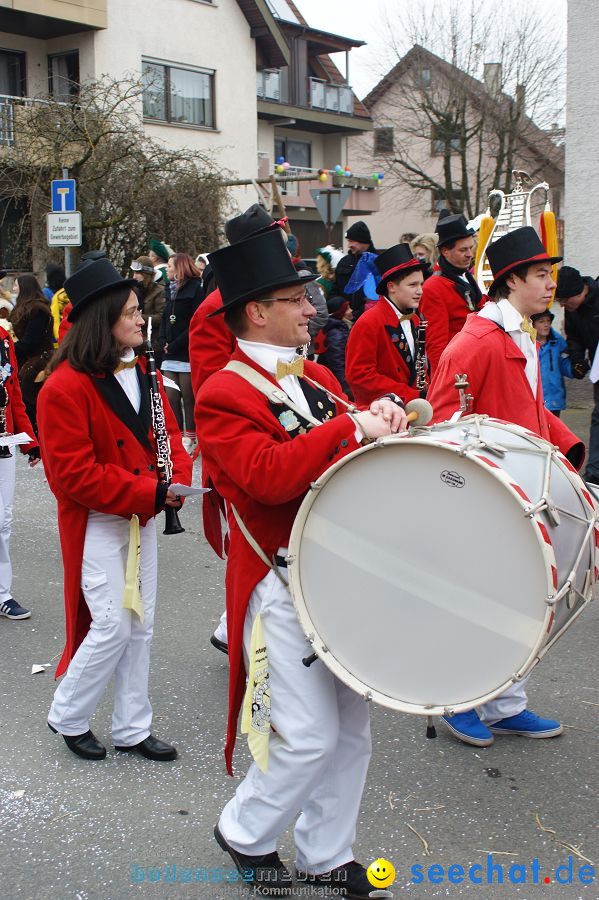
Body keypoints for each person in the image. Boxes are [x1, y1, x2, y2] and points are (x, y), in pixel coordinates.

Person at [196, 227, 407, 897]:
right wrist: (348, 428)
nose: (312, 308)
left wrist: (378, 417)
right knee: (310, 734)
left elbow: (340, 447)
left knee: (350, 730)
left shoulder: (313, 374)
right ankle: (245, 831)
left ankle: (325, 853)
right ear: (257, 310)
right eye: (296, 298)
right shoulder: (222, 392)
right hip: (277, 582)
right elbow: (266, 476)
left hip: (334, 575)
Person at [428, 225, 584, 747]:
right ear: (511, 279)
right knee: (475, 602)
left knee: (525, 601)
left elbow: (531, 410)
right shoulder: (474, 343)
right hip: (488, 497)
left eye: (551, 274)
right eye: (541, 275)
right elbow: (444, 425)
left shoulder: (519, 331)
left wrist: (568, 451)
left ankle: (504, 703)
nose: (550, 284)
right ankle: (456, 699)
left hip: (525, 490)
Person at [37, 259, 191, 762]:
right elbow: (72, 476)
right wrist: (150, 492)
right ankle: (68, 714)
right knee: (112, 624)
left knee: (140, 624)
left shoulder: (143, 370)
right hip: (99, 519)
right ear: (104, 320)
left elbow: (168, 434)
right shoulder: (63, 386)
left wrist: (179, 479)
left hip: (141, 510)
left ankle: (132, 727)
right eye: (131, 313)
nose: (142, 321)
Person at [345, 243, 428, 406]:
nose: (420, 291)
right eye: (413, 285)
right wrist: (412, 395)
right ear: (392, 287)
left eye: (421, 284)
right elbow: (359, 376)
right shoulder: (369, 323)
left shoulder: (415, 320)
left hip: (412, 409)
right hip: (380, 413)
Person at [0, 322, 41, 621]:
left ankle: (2, 593)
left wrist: (29, 442)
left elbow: (13, 393)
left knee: (3, 520)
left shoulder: (3, 338)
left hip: (4, 441)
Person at [419, 213, 483, 376]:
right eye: (463, 250)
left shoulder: (465, 275)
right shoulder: (433, 287)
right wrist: (444, 384)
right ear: (445, 251)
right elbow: (436, 347)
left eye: (470, 248)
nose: (470, 254)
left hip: (476, 363)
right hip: (458, 372)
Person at [556, 265, 599, 484]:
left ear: (579, 291)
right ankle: (594, 472)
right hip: (598, 369)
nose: (562, 305)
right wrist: (578, 362)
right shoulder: (572, 310)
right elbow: (574, 338)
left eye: (564, 299)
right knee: (598, 417)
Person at [159, 253, 203, 455]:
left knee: (188, 396)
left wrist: (175, 344)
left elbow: (196, 322)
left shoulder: (196, 288)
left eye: (169, 266)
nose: (166, 270)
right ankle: (176, 436)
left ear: (180, 267)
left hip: (185, 351)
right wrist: (162, 339)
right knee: (171, 396)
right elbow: (165, 316)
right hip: (169, 352)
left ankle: (190, 436)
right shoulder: (169, 290)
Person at [9, 273, 54, 435]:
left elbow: (31, 341)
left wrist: (8, 348)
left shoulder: (37, 310)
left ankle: (36, 434)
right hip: (26, 360)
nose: (14, 289)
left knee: (31, 401)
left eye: (16, 285)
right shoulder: (26, 308)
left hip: (36, 363)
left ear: (24, 287)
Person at [532, 309, 573, 417]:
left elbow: (563, 363)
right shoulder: (527, 342)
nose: (546, 325)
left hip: (554, 396)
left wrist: (574, 369)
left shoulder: (557, 341)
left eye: (548, 321)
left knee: (553, 432)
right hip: (535, 397)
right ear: (532, 324)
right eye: (541, 321)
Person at [334, 220, 376, 321]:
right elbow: (335, 288)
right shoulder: (344, 262)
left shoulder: (377, 263)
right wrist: (342, 309)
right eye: (348, 241)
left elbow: (378, 296)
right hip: (344, 320)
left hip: (367, 319)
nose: (349, 245)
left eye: (352, 241)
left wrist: (356, 314)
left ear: (363, 241)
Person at [129, 256, 166, 361]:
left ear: (145, 274)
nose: (134, 276)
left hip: (153, 343)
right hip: (138, 340)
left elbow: (161, 317)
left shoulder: (159, 291)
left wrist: (139, 317)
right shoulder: (135, 289)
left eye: (138, 273)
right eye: (134, 273)